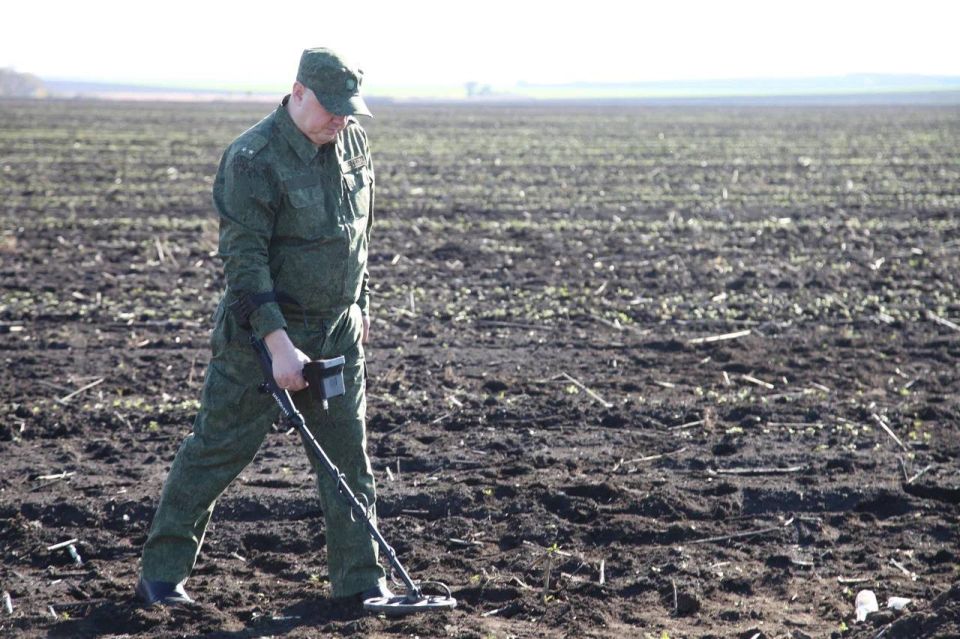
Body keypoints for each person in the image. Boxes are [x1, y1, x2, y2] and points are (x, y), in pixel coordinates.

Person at [136, 47, 388, 606]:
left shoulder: (352, 141)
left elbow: (358, 237)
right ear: (298, 92)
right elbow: (243, 264)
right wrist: (280, 347)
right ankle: (162, 576)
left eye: (350, 109)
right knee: (217, 451)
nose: (341, 119)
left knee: (349, 460)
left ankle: (362, 583)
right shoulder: (253, 157)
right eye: (330, 107)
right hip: (262, 337)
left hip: (338, 331)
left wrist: (360, 304)